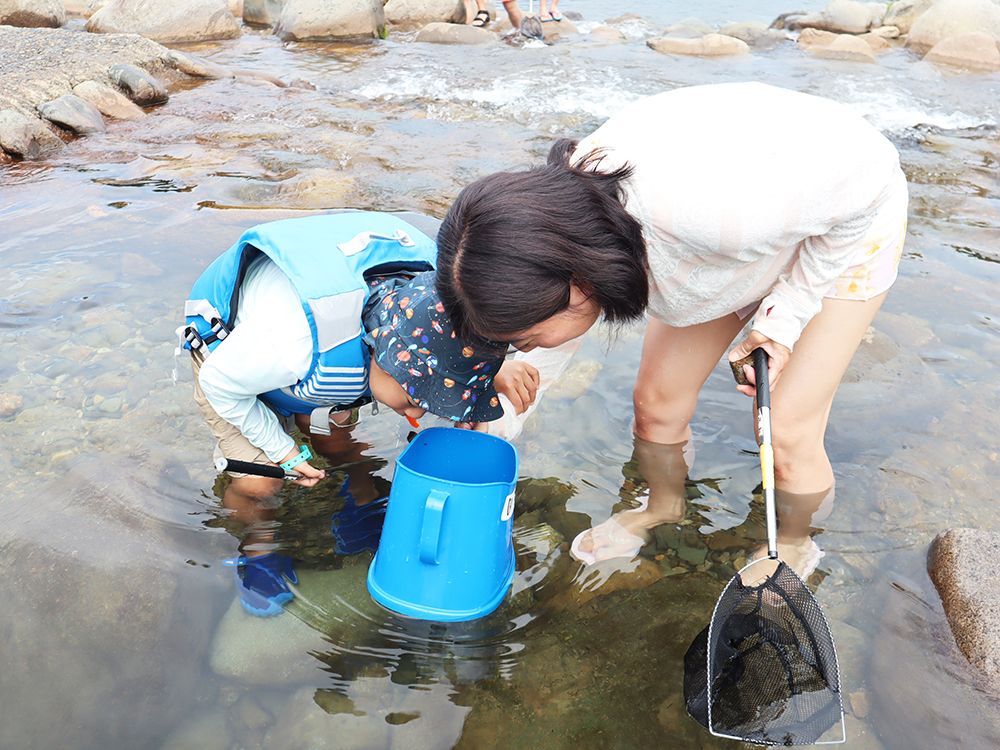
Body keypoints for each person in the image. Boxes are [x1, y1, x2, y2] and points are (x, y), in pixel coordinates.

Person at [434, 82, 908, 579]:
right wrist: (484, 435)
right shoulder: (560, 233)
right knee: (657, 404)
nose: (518, 352)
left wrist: (783, 317)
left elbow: (871, 180)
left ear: (578, 285)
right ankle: (661, 508)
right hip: (723, 247)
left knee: (786, 432)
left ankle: (791, 544)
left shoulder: (714, 214)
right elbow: (539, 358)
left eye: (522, 340)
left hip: (845, 227)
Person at [180, 211, 532, 616]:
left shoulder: (431, 305)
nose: (421, 410)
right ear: (382, 355)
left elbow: (463, 337)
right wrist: (283, 452)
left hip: (320, 349)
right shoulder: (292, 341)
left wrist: (482, 376)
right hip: (231, 352)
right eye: (420, 394)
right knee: (261, 483)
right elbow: (219, 385)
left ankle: (360, 497)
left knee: (336, 440)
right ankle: (258, 548)